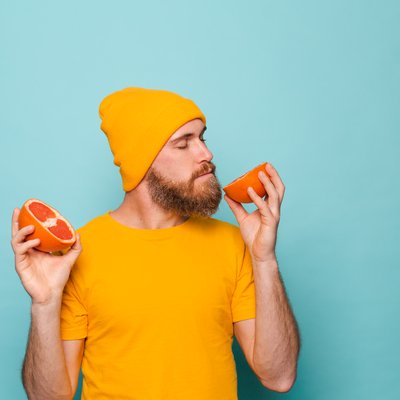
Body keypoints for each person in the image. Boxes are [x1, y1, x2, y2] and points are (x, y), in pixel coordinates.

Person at [11, 87, 300, 400]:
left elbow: (279, 376)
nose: (206, 154)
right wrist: (44, 304)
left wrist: (264, 259)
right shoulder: (76, 255)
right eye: (183, 144)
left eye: (202, 138)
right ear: (142, 161)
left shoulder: (235, 243)